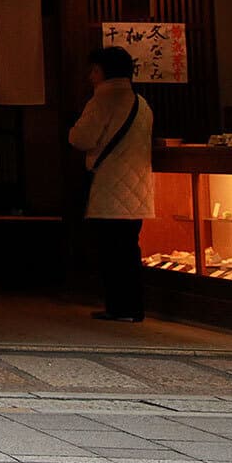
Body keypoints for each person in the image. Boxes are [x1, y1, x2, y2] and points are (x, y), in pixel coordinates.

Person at [68, 45, 154, 323]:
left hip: (108, 186)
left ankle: (118, 307)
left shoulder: (102, 100)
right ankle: (134, 307)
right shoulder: (142, 104)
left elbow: (81, 139)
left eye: (93, 70)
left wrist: (73, 129)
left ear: (102, 71)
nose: (90, 75)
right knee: (129, 248)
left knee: (110, 251)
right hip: (137, 190)